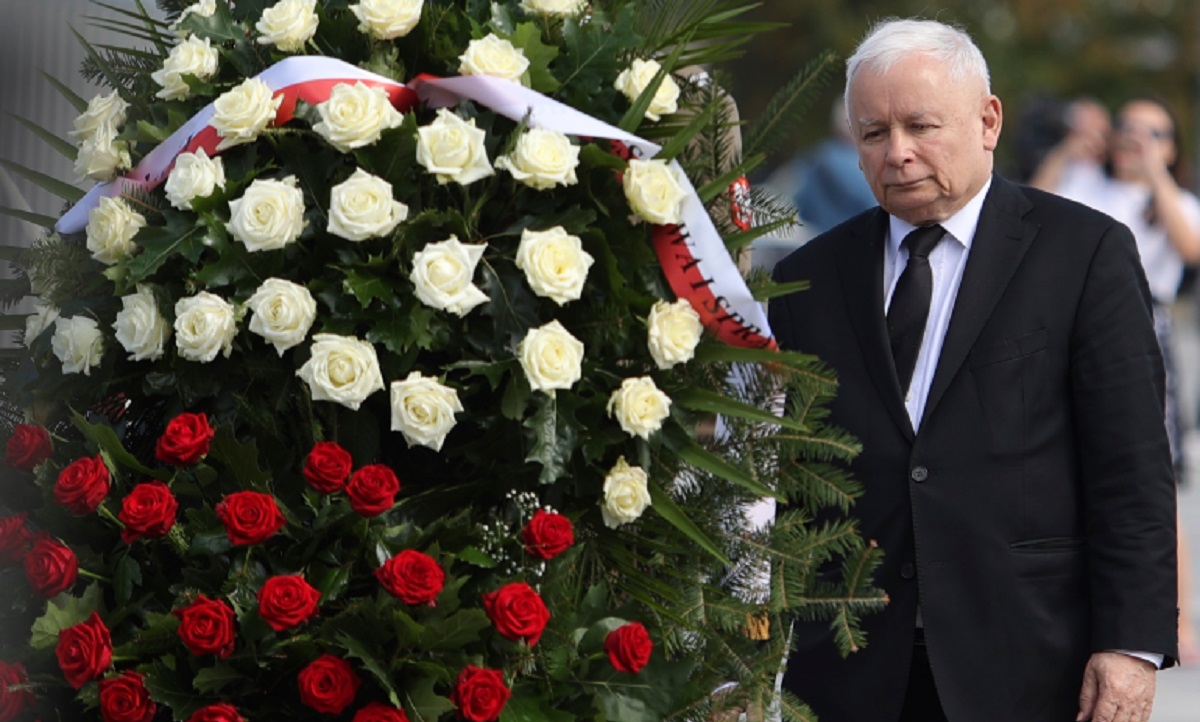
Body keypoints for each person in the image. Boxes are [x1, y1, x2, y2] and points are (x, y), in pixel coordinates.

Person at [769, 18, 1178, 722]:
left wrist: (1130, 645)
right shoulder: (809, 277)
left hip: (1026, 661)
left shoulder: (1083, 255)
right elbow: (786, 479)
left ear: (988, 121)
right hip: (851, 667)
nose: (898, 152)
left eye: (921, 126)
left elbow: (1131, 467)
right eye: (874, 133)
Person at [1034, 95, 1200, 665]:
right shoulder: (1085, 181)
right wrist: (1067, 150)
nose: (1134, 139)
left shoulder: (1173, 200)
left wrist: (1155, 174)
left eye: (1153, 133)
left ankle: (1176, 617)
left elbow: (1191, 248)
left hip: (1146, 329)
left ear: (1172, 147)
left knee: (1151, 476)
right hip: (1069, 323)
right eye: (1127, 127)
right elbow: (1027, 211)